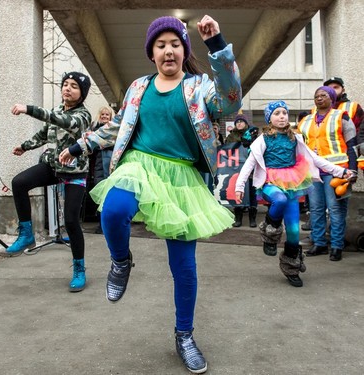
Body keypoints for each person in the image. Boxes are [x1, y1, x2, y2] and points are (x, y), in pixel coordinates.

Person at [59, 15, 241, 374]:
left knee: (184, 267)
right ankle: (121, 261)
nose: (168, 50)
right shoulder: (138, 88)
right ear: (152, 53)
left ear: (184, 50)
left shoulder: (198, 87)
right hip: (139, 165)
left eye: (175, 44)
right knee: (113, 210)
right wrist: (80, 146)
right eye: (161, 45)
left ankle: (184, 335)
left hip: (182, 178)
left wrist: (218, 47)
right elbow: (115, 126)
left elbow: (230, 103)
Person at [235, 101, 353, 287]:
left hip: (291, 182)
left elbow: (315, 159)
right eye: (277, 113)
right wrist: (239, 187)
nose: (282, 116)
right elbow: (249, 164)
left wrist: (340, 172)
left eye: (284, 113)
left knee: (294, 231)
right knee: (279, 200)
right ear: (269, 118)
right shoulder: (263, 139)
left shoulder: (295, 138)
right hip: (270, 183)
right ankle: (270, 233)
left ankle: (292, 268)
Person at [6, 71, 92, 293]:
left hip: (75, 173)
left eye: (74, 86)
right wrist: (25, 146)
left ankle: (79, 269)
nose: (67, 88)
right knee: (19, 183)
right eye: (65, 84)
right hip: (54, 166)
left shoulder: (82, 116)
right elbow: (44, 134)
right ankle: (26, 234)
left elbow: (59, 120)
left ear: (82, 93)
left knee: (71, 221)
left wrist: (29, 109)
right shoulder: (55, 110)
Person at [298, 86, 358, 261]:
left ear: (332, 98)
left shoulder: (342, 117)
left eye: (324, 95)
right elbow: (300, 148)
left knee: (336, 209)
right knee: (316, 209)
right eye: (316, 95)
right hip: (314, 172)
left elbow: (352, 145)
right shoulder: (305, 121)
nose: (319, 98)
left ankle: (337, 246)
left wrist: (352, 171)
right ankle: (319, 243)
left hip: (338, 171)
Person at [225, 114, 258, 227]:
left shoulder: (252, 135)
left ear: (246, 123)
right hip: (235, 169)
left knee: (251, 193)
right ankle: (238, 218)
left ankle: (252, 219)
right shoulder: (230, 137)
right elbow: (226, 152)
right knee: (236, 192)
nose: (239, 123)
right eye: (237, 122)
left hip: (250, 170)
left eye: (241, 121)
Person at [88, 105, 115, 234]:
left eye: (107, 115)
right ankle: (101, 224)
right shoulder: (94, 129)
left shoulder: (114, 130)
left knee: (109, 194)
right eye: (102, 114)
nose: (104, 117)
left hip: (110, 164)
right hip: (97, 165)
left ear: (111, 116)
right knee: (99, 193)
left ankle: (108, 225)